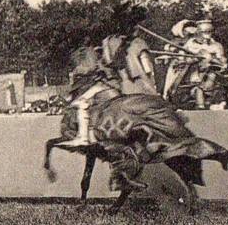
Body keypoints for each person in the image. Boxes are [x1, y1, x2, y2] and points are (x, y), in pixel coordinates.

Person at [57, 16, 156, 147]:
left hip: (112, 83)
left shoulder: (104, 45)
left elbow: (95, 67)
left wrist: (80, 70)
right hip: (128, 83)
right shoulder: (132, 43)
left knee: (82, 102)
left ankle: (84, 137)